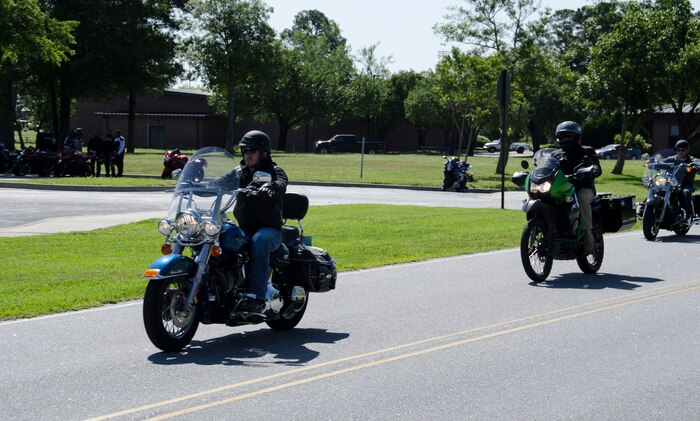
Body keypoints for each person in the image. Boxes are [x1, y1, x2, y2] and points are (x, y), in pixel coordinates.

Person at [231, 130, 287, 313]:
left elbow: (281, 182)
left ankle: (257, 297)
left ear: (264, 153)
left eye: (252, 151)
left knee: (259, 240)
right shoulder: (239, 172)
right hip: (245, 228)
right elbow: (218, 183)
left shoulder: (274, 171)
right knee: (223, 235)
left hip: (270, 230)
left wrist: (271, 186)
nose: (247, 154)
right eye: (245, 150)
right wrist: (197, 180)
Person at [554, 121, 602, 254]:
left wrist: (593, 169)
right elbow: (546, 167)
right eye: (562, 136)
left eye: (568, 136)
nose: (565, 139)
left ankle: (587, 236)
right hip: (562, 188)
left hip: (583, 187)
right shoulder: (556, 154)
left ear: (577, 137)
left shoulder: (586, 151)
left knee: (581, 198)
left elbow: (596, 166)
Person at [663, 139, 698, 222]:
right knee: (657, 189)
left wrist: (697, 166)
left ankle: (687, 214)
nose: (680, 152)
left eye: (683, 150)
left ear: (687, 151)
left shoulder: (691, 160)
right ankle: (645, 207)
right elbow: (661, 163)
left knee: (686, 192)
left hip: (685, 184)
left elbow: (698, 164)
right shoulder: (672, 159)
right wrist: (651, 163)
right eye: (678, 150)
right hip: (670, 184)